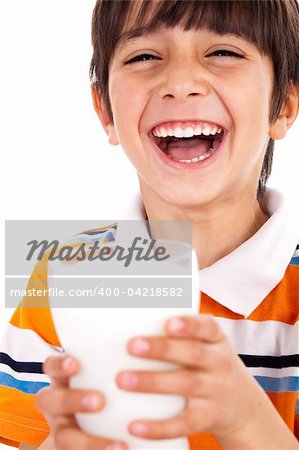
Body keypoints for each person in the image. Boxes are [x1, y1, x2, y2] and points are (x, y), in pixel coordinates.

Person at [1, 0, 299, 449]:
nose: (180, 83)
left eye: (223, 52)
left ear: (285, 104)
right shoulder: (66, 274)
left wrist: (245, 421)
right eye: (144, 57)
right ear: (105, 111)